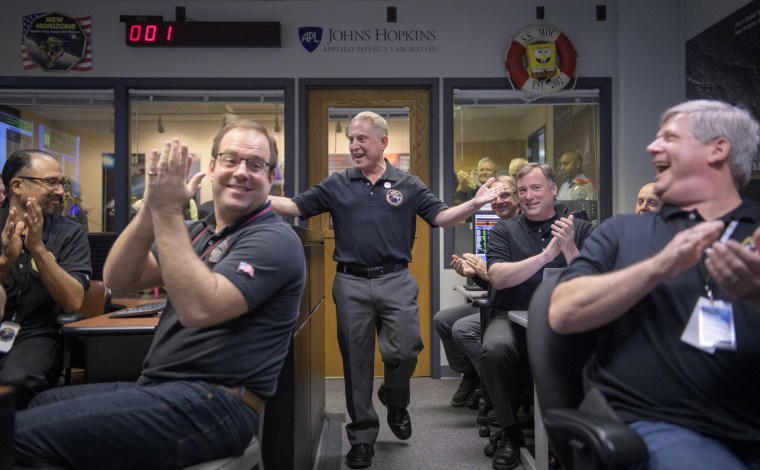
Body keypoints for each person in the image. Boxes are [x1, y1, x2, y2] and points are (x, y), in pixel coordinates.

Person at [14, 121, 307, 468]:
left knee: (21, 436)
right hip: (160, 390)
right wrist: (153, 207)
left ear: (271, 177)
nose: (241, 172)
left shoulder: (274, 239)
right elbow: (120, 277)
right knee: (37, 407)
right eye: (230, 160)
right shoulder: (197, 232)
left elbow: (199, 309)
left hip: (216, 406)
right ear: (212, 168)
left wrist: (169, 211)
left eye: (255, 165)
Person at [269, 111, 501, 469]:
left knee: (407, 349)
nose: (354, 146)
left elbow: (440, 217)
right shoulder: (337, 183)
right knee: (356, 363)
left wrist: (473, 204)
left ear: (382, 142)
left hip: (396, 279)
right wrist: (257, 196)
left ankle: (395, 398)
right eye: (350, 139)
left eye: (361, 139)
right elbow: (296, 207)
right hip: (351, 282)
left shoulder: (408, 184)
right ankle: (362, 436)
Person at [549, 100, 760, 469]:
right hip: (660, 426)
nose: (651, 147)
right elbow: (563, 312)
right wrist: (660, 266)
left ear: (718, 149)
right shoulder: (623, 232)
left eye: (669, 137)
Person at [481, 162, 594, 470]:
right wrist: (545, 257)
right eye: (523, 191)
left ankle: (572, 436)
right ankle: (511, 434)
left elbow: (591, 281)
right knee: (494, 349)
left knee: (593, 352)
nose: (529, 196)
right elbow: (499, 277)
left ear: (553, 189)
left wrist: (569, 247)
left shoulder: (579, 228)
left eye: (535, 188)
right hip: (512, 319)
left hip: (564, 322)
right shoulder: (505, 229)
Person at [0, 149, 91, 409]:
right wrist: (5, 262)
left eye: (62, 183)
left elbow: (73, 301)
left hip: (37, 337)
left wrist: (38, 249)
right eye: (50, 182)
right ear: (17, 185)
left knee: (15, 380)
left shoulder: (70, 234)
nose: (61, 191)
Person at [434, 176, 520, 408]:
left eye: (505, 195)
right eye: (494, 197)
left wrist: (485, 274)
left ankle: (499, 388)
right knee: (442, 320)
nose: (499, 201)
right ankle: (472, 375)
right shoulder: (497, 227)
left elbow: (514, 283)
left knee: (462, 329)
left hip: (511, 305)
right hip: (495, 298)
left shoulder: (523, 228)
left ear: (519, 197)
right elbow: (492, 284)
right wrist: (472, 274)